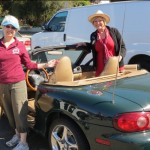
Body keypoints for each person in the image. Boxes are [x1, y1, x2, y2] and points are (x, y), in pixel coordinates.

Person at [0, 15, 58, 150]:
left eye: (13, 28)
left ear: (16, 30)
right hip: (2, 85)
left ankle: (24, 142)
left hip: (18, 83)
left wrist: (46, 64)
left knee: (20, 113)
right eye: (7, 26)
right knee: (9, 113)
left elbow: (29, 64)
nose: (10, 29)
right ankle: (17, 135)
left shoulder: (19, 45)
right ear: (3, 27)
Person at [77, 10, 126, 76]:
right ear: (93, 23)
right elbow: (93, 46)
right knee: (102, 86)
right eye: (95, 21)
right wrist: (84, 44)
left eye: (100, 20)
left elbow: (122, 47)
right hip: (100, 68)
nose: (98, 23)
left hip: (115, 66)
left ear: (104, 21)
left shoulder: (114, 31)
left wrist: (120, 56)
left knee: (114, 85)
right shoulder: (93, 35)